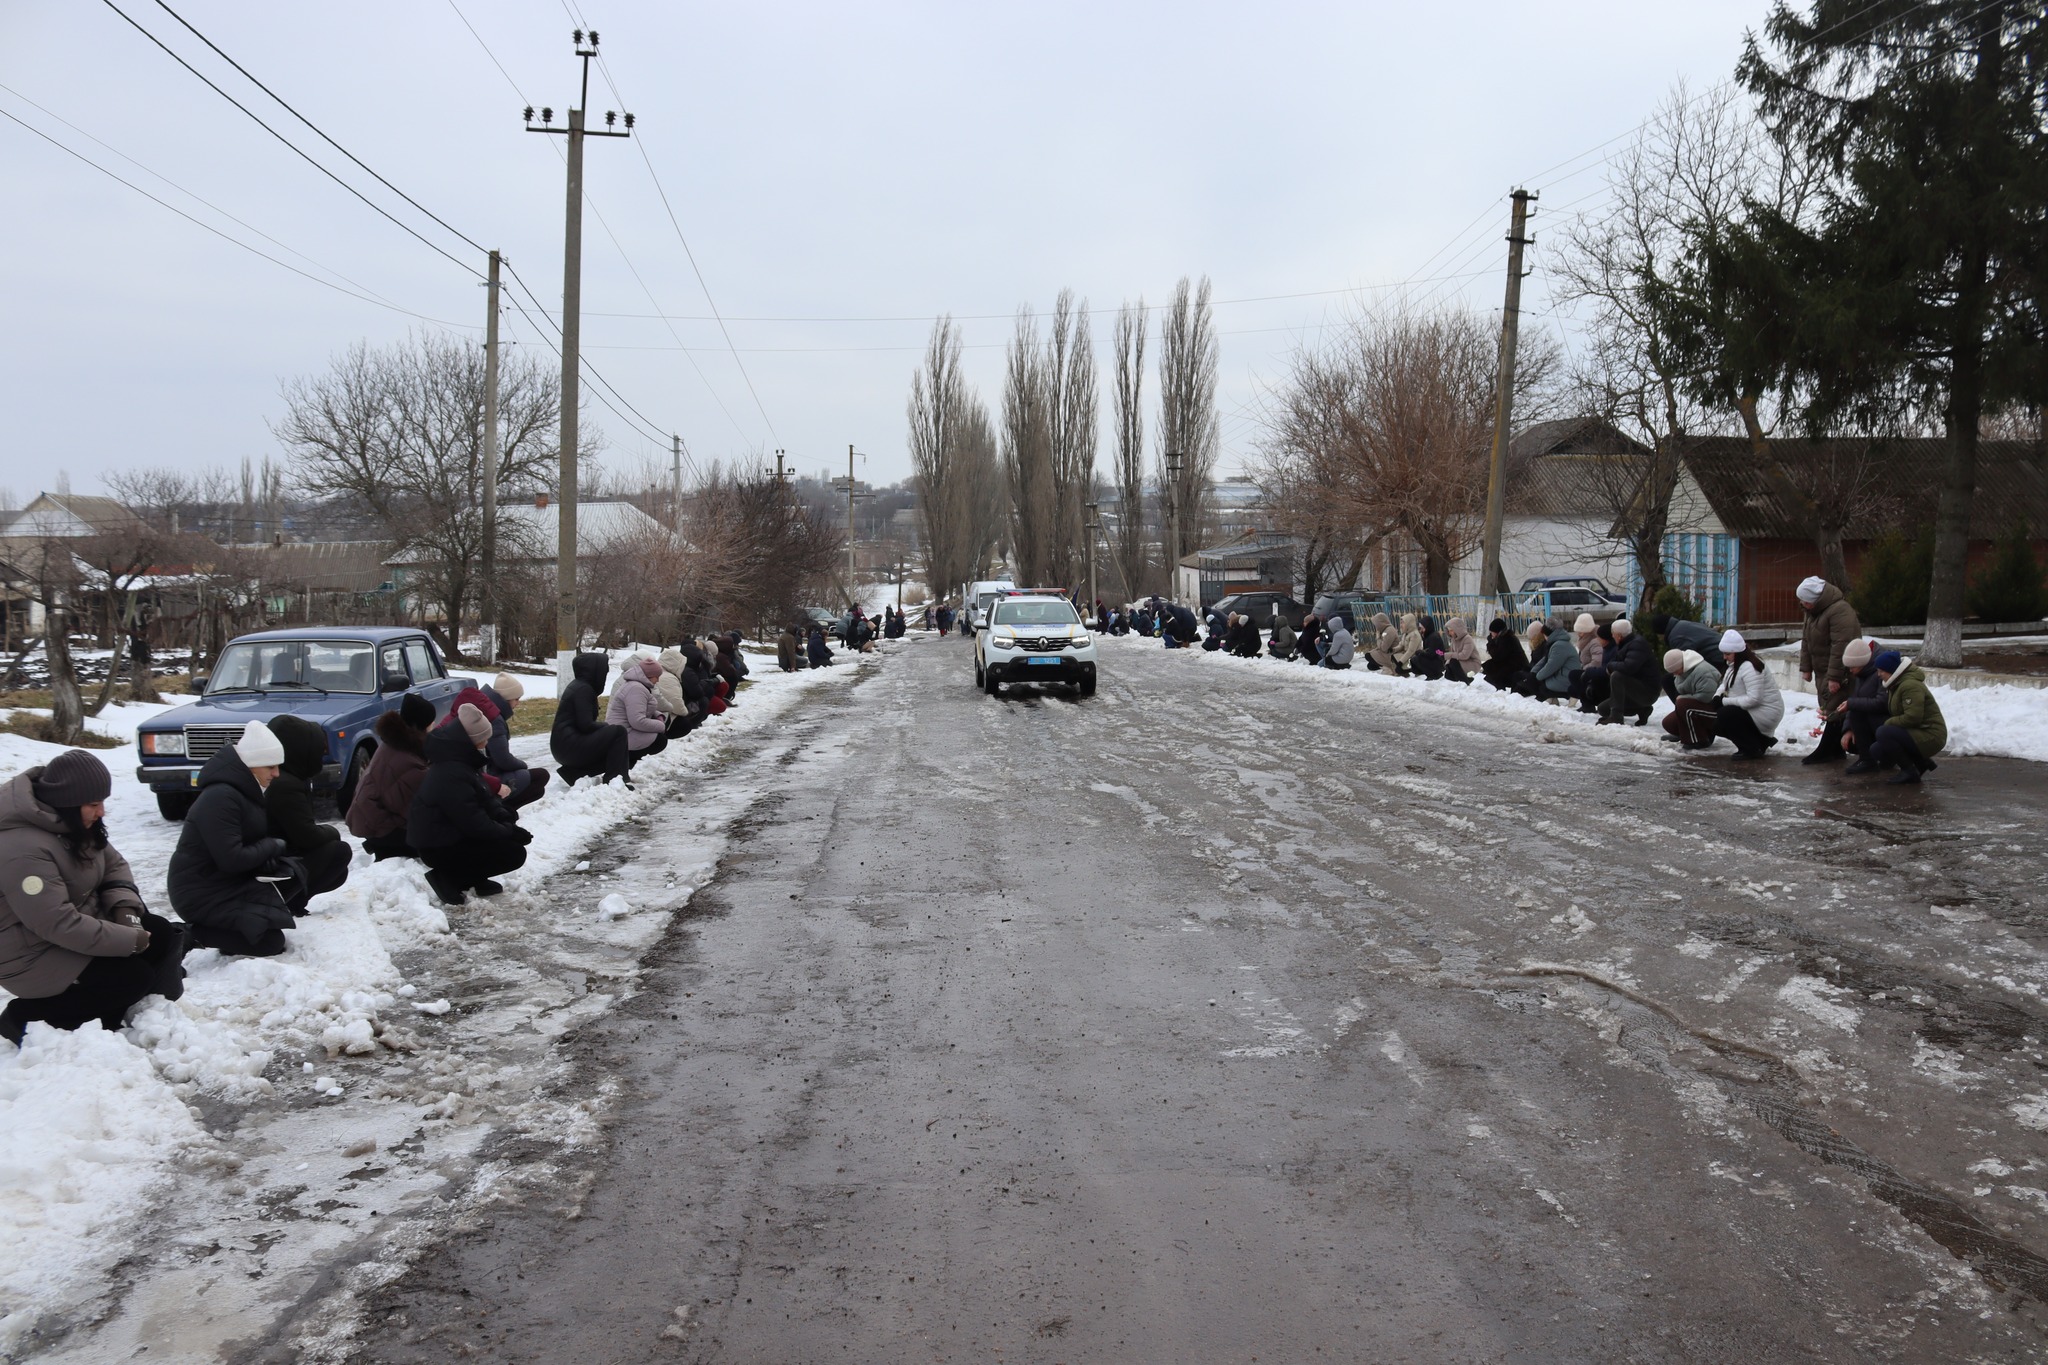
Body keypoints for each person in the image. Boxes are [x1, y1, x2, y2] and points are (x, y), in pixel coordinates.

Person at [0, 751, 186, 1044]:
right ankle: (24, 1018)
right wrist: (127, 940)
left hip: (72, 928)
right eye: (93, 804)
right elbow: (54, 922)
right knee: (131, 977)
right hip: (29, 951)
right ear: (67, 802)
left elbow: (114, 865)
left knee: (159, 932)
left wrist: (126, 909)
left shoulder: (74, 823)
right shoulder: (23, 848)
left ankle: (111, 1008)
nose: (101, 812)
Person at [167, 721, 298, 957]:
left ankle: (235, 930)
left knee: (297, 873)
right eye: (270, 766)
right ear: (251, 765)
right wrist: (270, 846)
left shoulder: (241, 790)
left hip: (225, 883)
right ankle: (187, 934)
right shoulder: (220, 797)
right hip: (200, 892)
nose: (276, 774)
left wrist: (268, 856)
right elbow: (232, 859)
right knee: (270, 942)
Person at [409, 703, 532, 905]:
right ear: (472, 740)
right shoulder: (452, 772)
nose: (486, 743)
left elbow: (483, 797)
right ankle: (448, 877)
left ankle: (473, 878)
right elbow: (473, 822)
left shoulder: (460, 761)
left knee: (508, 844)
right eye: (484, 739)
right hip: (438, 846)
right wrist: (508, 832)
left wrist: (503, 815)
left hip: (451, 837)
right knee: (513, 853)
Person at [264, 715, 353, 914]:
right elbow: (307, 837)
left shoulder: (286, 777)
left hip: (275, 856)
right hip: (274, 863)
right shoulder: (285, 785)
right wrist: (332, 832)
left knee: (337, 866)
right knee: (339, 852)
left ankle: (292, 898)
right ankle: (288, 900)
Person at [346, 693, 436, 860]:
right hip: (379, 827)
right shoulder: (406, 760)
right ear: (421, 726)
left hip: (371, 819)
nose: (434, 726)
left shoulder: (398, 744)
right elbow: (415, 809)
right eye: (431, 723)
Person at [1864, 650, 1947, 784]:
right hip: (1919, 731)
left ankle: (1909, 771)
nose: (1878, 675)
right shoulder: (1895, 684)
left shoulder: (1910, 685)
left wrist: (1889, 723)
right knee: (1877, 749)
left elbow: (1913, 717)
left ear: (1891, 670)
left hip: (1931, 734)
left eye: (1881, 671)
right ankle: (1921, 763)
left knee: (1884, 732)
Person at [1797, 576, 1863, 740]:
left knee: (1836, 706)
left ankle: (1833, 745)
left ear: (1815, 600)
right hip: (1822, 669)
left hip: (1837, 671)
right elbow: (1806, 639)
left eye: (1804, 601)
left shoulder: (1840, 611)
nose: (1801, 604)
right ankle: (1833, 746)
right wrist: (1806, 667)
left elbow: (1841, 645)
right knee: (1828, 705)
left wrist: (1835, 677)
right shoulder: (1812, 611)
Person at [551, 653, 631, 786]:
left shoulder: (579, 686)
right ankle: (615, 780)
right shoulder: (583, 690)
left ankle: (574, 773)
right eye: (603, 672)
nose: (604, 676)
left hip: (563, 746)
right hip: (568, 746)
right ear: (594, 671)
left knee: (613, 746)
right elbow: (585, 725)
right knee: (618, 732)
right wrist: (605, 726)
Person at [478, 673, 549, 810]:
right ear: (506, 699)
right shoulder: (495, 720)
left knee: (537, 788)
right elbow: (502, 759)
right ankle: (499, 812)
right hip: (486, 776)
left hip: (482, 772)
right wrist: (522, 765)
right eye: (516, 699)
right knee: (540, 777)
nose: (518, 703)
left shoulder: (487, 710)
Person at [1713, 629, 1785, 759]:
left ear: (1737, 652)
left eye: (1727, 654)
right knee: (1716, 722)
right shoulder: (1735, 664)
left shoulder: (1750, 667)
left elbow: (1754, 699)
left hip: (1766, 712)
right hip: (1754, 711)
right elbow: (1725, 683)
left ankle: (1751, 749)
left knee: (1725, 714)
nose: (1724, 657)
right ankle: (1758, 743)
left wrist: (1724, 701)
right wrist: (1717, 696)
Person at [1834, 639, 1890, 770]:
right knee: (1851, 741)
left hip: (1886, 721)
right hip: (1876, 722)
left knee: (1856, 710)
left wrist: (1852, 704)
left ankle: (1870, 759)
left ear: (1863, 663)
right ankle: (1875, 757)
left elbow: (1883, 703)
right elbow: (1855, 699)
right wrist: (1849, 729)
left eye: (1853, 667)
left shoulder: (1881, 671)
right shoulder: (1862, 673)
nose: (1850, 670)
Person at [607, 656, 670, 769]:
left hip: (624, 730)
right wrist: (660, 725)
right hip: (622, 734)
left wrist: (657, 715)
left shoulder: (637, 686)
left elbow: (639, 709)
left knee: (658, 738)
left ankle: (626, 765)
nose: (658, 680)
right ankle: (624, 763)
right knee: (659, 740)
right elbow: (637, 720)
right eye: (657, 677)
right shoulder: (636, 689)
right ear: (649, 676)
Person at [1598, 618, 1658, 726]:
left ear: (1619, 635)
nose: (1612, 636)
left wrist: (1611, 666)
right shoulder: (1626, 644)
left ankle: (1616, 717)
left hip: (1648, 691)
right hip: (1636, 690)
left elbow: (1629, 667)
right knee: (1603, 709)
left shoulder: (1637, 644)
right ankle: (1642, 710)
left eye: (1613, 634)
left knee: (1617, 676)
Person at [1661, 648, 1724, 747]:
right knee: (1668, 723)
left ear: (1682, 665)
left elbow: (1707, 697)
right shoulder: (1683, 671)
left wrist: (1683, 698)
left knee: (1683, 704)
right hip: (1699, 707)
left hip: (1715, 709)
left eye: (1676, 671)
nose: (1675, 674)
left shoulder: (1703, 671)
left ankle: (1698, 740)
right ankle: (1686, 734)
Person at [1650, 612, 1725, 688]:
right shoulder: (1682, 625)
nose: (1659, 639)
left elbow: (1686, 663)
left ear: (1661, 632)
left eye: (1658, 635)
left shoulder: (1676, 637)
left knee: (1669, 681)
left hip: (1717, 658)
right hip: (1721, 652)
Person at [1517, 621, 1579, 701]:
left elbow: (1551, 666)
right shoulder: (1555, 644)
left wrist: (1537, 676)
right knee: (1532, 680)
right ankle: (1550, 697)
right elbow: (1544, 660)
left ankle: (1566, 695)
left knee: (1542, 687)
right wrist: (1533, 673)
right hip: (1561, 676)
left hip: (1566, 680)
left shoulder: (1559, 645)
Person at [1569, 617, 1611, 712]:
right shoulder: (1585, 641)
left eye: (1581, 631)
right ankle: (1586, 703)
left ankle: (1588, 705)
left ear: (1587, 630)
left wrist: (1585, 670)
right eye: (1578, 631)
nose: (1578, 634)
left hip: (1595, 674)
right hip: (1591, 672)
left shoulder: (1595, 641)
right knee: (1571, 687)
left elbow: (1597, 661)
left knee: (1574, 675)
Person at [1481, 618, 1527, 691]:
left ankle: (1501, 689)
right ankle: (1500, 688)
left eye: (1492, 632)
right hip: (1510, 664)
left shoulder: (1508, 639)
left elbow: (1497, 656)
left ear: (1497, 632)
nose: (1491, 634)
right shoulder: (1503, 637)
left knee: (1492, 670)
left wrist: (1491, 642)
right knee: (1489, 667)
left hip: (1517, 667)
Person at [1441, 617, 1481, 684]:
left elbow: (1464, 655)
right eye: (1448, 630)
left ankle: (1465, 681)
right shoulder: (1454, 639)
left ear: (1457, 629)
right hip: (1462, 662)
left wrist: (1447, 656)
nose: (1449, 632)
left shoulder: (1467, 639)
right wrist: (1447, 663)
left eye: (1451, 630)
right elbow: (1453, 654)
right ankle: (1461, 682)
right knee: (1448, 675)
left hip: (1472, 663)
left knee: (1453, 662)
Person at [1412, 614, 1447, 680]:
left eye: (1422, 628)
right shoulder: (1427, 636)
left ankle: (1434, 675)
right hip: (1434, 659)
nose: (1421, 630)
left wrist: (1422, 653)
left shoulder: (1434, 637)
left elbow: (1437, 653)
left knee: (1419, 658)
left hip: (1439, 660)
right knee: (1414, 659)